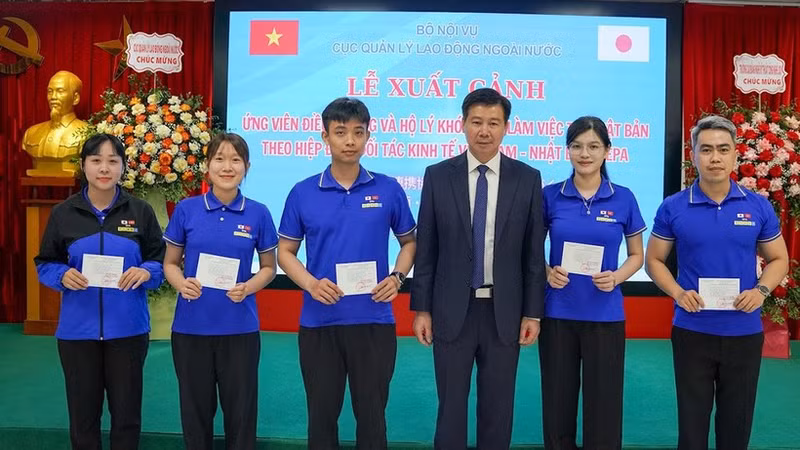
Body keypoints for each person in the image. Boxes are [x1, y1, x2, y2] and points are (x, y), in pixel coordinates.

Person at [277, 97, 417, 450]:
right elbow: (285, 253)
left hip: (374, 321)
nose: (350, 141)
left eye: (358, 132)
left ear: (369, 136)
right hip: (319, 323)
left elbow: (410, 243)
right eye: (340, 133)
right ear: (325, 136)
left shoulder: (388, 189)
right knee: (322, 418)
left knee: (372, 418)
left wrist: (398, 278)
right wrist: (310, 283)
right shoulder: (302, 192)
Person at [411, 87, 546, 450]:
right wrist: (421, 307)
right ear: (463, 124)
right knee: (451, 408)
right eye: (476, 122)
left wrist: (533, 312)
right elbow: (427, 248)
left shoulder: (527, 178)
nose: (484, 131)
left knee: (498, 409)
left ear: (506, 128)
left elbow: (533, 255)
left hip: (504, 311)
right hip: (452, 309)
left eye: (493, 123)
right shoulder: (438, 175)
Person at [645, 115, 789, 450]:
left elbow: (779, 258)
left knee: (735, 426)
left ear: (736, 154)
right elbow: (654, 260)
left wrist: (761, 290)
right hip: (692, 330)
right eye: (706, 149)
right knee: (692, 426)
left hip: (743, 332)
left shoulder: (757, 206)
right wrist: (678, 293)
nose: (715, 157)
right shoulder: (674, 207)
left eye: (723, 149)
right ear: (693, 154)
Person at [35, 133, 165, 450]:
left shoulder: (141, 211)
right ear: (84, 166)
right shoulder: (63, 213)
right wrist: (62, 275)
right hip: (78, 333)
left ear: (123, 167)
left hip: (129, 331)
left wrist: (146, 271)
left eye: (112, 161)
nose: (104, 168)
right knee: (83, 418)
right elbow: (45, 263)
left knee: (127, 417)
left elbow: (160, 261)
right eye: (96, 161)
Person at [163, 132, 278, 450]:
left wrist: (248, 287)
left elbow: (269, 267)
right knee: (195, 412)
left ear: (247, 167)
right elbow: (170, 263)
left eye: (236, 160)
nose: (227, 167)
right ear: (207, 166)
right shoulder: (187, 210)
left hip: (239, 328)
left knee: (241, 415)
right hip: (190, 328)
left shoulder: (258, 213)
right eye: (219, 159)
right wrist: (181, 282)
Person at [540, 116, 646, 450]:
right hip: (558, 313)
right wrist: (546, 271)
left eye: (593, 146)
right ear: (567, 150)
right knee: (558, 403)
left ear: (607, 151)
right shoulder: (549, 196)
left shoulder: (624, 198)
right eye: (577, 146)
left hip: (605, 316)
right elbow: (529, 249)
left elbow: (636, 255)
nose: (584, 153)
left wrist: (617, 276)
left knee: (604, 405)